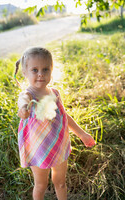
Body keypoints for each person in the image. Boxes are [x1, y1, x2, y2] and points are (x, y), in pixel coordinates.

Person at [15, 47, 96, 200]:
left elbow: (64, 116)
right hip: (38, 148)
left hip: (58, 144)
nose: (40, 74)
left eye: (45, 69)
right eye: (34, 70)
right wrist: (23, 110)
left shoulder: (54, 93)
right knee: (41, 185)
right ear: (25, 73)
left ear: (51, 70)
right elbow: (22, 103)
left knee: (60, 182)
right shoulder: (27, 95)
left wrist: (82, 134)